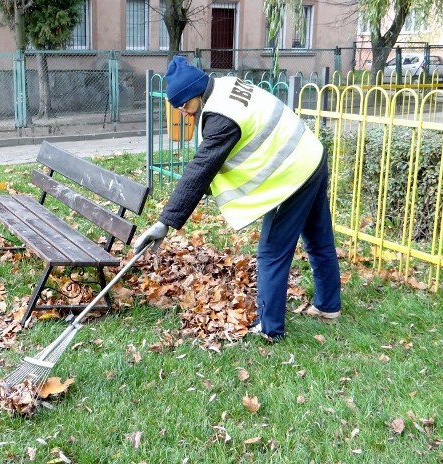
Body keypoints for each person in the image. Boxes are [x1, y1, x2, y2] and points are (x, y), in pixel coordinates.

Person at [134, 55, 341, 343]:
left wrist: (165, 223)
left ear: (194, 94)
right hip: (310, 154)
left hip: (293, 172)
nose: (183, 113)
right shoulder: (225, 85)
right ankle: (328, 306)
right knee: (318, 238)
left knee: (271, 251)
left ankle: (269, 327)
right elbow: (214, 164)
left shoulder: (220, 118)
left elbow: (200, 170)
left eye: (182, 106)